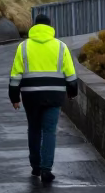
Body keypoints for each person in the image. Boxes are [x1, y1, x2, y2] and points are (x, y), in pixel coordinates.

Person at [8, 14, 78, 183]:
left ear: (35, 26)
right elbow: (70, 74)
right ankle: (47, 169)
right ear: (50, 27)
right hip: (54, 95)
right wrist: (72, 92)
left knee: (33, 129)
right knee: (49, 131)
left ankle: (36, 167)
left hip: (30, 95)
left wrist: (14, 97)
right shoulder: (61, 47)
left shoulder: (23, 47)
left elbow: (15, 75)